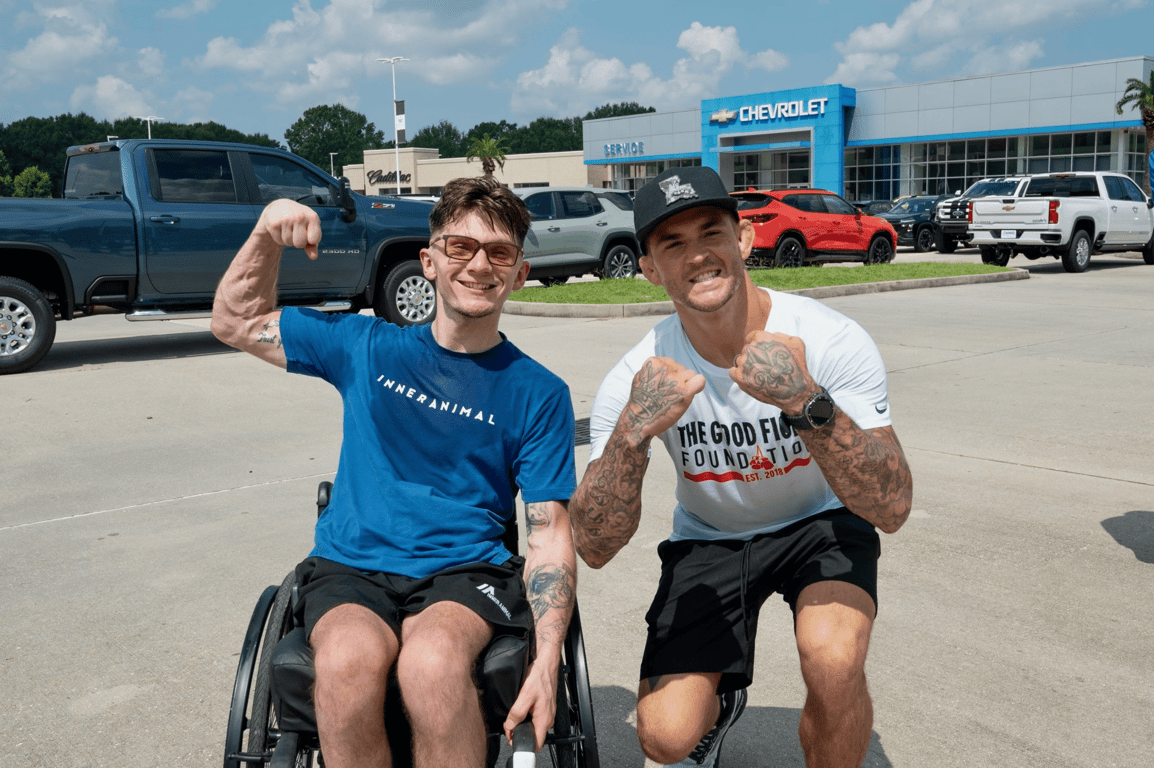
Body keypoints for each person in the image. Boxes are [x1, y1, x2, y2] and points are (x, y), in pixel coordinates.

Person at [211, 176, 577, 768]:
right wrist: (265, 235)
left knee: (432, 661)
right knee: (345, 659)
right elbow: (235, 323)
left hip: (465, 569)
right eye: (460, 248)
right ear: (428, 263)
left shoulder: (539, 392)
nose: (479, 265)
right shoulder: (365, 345)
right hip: (352, 563)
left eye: (499, 253)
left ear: (519, 274)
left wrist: (547, 661)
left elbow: (549, 532)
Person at [569, 166, 913, 768]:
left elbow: (892, 506)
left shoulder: (830, 339)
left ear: (745, 240)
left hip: (821, 521)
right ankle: (718, 703)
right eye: (672, 245)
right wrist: (631, 433)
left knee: (834, 663)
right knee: (665, 737)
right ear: (649, 269)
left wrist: (807, 402)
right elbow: (594, 546)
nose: (697, 256)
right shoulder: (637, 373)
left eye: (711, 233)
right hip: (710, 536)